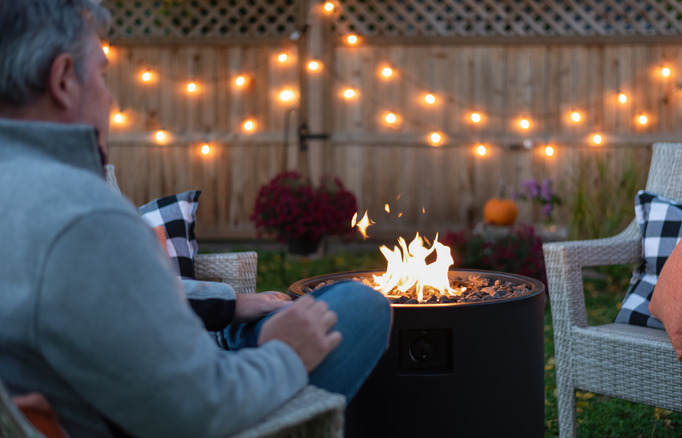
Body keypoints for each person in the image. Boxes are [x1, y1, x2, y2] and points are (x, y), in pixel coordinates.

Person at [0, 1, 392, 437]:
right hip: (180, 412)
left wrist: (229, 304)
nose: (110, 98)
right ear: (63, 79)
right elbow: (197, 411)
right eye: (104, 76)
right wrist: (286, 353)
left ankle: (242, 339)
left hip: (131, 378)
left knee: (277, 317)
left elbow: (92, 296)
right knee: (360, 306)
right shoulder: (84, 217)